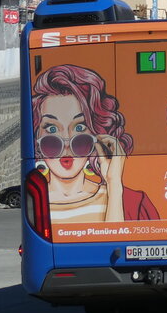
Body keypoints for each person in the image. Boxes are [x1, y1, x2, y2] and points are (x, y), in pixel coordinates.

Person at [31, 63, 158, 224]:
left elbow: (117, 247)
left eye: (79, 127)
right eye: (51, 129)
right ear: (36, 137)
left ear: (96, 134)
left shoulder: (135, 204)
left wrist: (114, 184)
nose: (67, 145)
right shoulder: (34, 203)